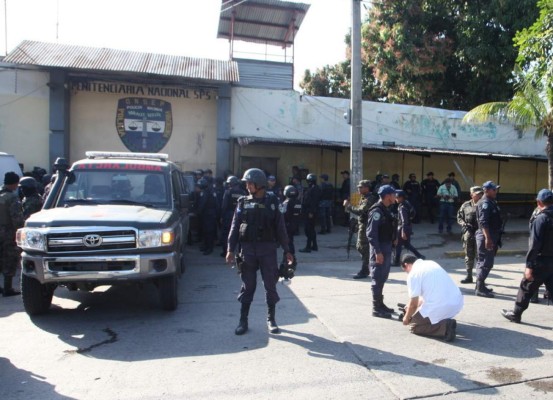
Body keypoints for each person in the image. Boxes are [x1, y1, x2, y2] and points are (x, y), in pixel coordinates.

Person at [226, 168, 293, 335]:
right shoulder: (242, 202)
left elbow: (280, 227)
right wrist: (230, 249)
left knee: (270, 285)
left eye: (250, 183)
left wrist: (287, 250)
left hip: (267, 250)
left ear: (260, 184)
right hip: (247, 251)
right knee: (248, 286)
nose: (247, 186)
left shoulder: (272, 202)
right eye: (246, 183)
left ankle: (271, 319)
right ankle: (243, 321)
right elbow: (235, 227)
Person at [501, 189, 553, 323]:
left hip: (540, 261)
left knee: (526, 287)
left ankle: (516, 314)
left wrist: (529, 266)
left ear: (539, 202)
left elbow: (535, 244)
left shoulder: (541, 218)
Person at [400, 254, 463, 342]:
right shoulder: (430, 263)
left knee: (414, 326)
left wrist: (406, 318)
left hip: (441, 307)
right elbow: (423, 297)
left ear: (406, 265)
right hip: (456, 303)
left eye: (405, 270)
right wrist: (408, 306)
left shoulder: (413, 274)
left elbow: (413, 305)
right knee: (425, 312)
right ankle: (445, 322)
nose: (407, 273)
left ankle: (444, 327)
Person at [366, 185, 397, 318]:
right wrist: (377, 252)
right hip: (379, 248)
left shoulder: (386, 209)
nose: (395, 196)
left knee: (383, 277)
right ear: (388, 195)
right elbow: (371, 234)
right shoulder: (377, 211)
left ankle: (380, 304)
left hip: (386, 246)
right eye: (393, 194)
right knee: (377, 277)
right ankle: (376, 308)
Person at [344, 180, 377, 279]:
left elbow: (361, 211)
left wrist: (348, 206)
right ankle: (368, 266)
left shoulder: (370, 198)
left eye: (361, 187)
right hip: (363, 225)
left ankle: (365, 269)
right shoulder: (363, 197)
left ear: (367, 188)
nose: (358, 188)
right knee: (360, 247)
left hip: (367, 226)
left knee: (363, 247)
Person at [474, 180, 503, 298]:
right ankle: (480, 288)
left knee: (485, 261)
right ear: (487, 190)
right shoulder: (485, 203)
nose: (496, 191)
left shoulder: (491, 201)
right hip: (486, 235)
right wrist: (488, 238)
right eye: (494, 189)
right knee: (486, 262)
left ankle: (480, 285)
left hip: (492, 235)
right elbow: (483, 222)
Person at [0, 172, 25, 296]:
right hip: (8, 233)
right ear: (14, 183)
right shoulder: (12, 198)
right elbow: (17, 219)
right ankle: (7, 288)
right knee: (9, 259)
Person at [456, 186, 484, 284]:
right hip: (468, 233)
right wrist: (464, 224)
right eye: (477, 194)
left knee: (479, 256)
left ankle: (480, 278)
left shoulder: (484, 204)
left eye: (481, 193)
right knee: (468, 255)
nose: (480, 195)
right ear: (471, 195)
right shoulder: (465, 205)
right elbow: (459, 216)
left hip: (480, 233)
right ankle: (469, 276)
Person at [394, 190, 425, 264]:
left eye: (397, 197)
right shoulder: (407, 203)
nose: (396, 199)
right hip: (408, 227)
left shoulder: (402, 207)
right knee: (407, 244)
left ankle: (396, 261)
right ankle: (420, 256)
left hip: (403, 227)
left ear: (401, 198)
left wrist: (403, 231)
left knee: (398, 245)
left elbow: (404, 220)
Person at [219, 176, 246, 257]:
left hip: (229, 215)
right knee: (241, 234)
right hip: (241, 215)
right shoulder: (243, 192)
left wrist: (221, 216)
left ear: (230, 183)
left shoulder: (228, 192)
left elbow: (224, 206)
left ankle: (226, 252)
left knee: (226, 234)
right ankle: (241, 253)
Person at [299, 173, 321, 253]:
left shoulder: (315, 189)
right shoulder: (311, 188)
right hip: (308, 211)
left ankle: (308, 247)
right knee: (311, 229)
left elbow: (314, 202)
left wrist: (311, 212)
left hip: (310, 212)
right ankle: (314, 245)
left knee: (308, 229)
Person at [196, 177, 218, 255]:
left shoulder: (206, 192)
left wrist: (198, 212)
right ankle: (206, 246)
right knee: (206, 231)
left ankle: (209, 248)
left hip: (208, 215)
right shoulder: (210, 191)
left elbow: (202, 204)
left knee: (209, 232)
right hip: (210, 214)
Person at [281, 185, 302, 266]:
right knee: (290, 241)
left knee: (287, 243)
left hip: (287, 225)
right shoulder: (298, 202)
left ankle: (288, 260)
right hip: (295, 225)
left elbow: (283, 214)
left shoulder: (286, 202)